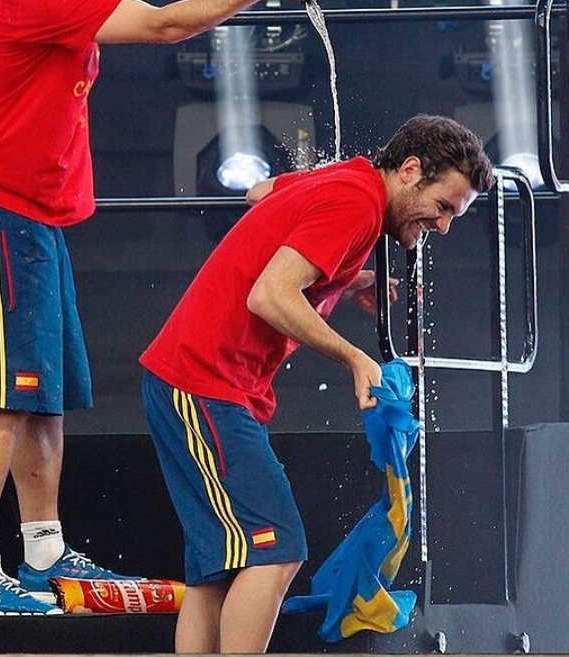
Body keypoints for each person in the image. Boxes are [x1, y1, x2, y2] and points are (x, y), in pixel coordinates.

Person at [0, 0, 316, 616]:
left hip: (36, 221)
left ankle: (43, 553)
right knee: (1, 399)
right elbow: (166, 25)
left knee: (42, 399)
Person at [139, 114, 495, 653]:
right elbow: (269, 294)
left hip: (193, 383)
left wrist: (341, 279)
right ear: (410, 170)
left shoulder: (350, 178)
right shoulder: (356, 203)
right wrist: (353, 357)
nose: (443, 226)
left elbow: (262, 193)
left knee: (218, 574)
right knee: (277, 549)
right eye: (442, 206)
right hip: (205, 384)